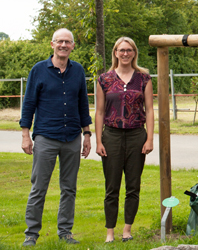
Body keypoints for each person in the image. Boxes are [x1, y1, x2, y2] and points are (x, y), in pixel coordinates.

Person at [20, 28, 92, 246]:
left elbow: (83, 104)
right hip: (46, 137)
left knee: (69, 187)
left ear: (72, 46)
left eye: (67, 42)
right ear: (52, 44)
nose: (63, 45)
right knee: (39, 187)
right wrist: (26, 135)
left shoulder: (78, 71)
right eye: (59, 41)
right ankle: (31, 233)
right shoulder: (39, 70)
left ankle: (65, 232)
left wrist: (87, 134)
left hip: (72, 137)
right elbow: (29, 103)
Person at [95, 37, 154, 243]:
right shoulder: (104, 79)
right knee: (112, 187)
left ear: (134, 53)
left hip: (137, 135)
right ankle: (110, 232)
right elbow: (100, 111)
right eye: (122, 50)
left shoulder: (144, 78)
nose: (126, 54)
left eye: (129, 50)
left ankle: (127, 230)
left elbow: (150, 109)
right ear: (115, 52)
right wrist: (99, 141)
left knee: (133, 185)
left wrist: (150, 139)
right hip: (111, 135)